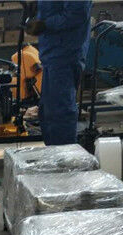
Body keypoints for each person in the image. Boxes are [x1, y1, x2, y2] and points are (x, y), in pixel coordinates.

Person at [27, 1, 93, 145]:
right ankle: (54, 152)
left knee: (60, 111)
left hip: (65, 53)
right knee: (48, 112)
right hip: (52, 53)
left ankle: (65, 154)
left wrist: (45, 25)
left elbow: (76, 14)